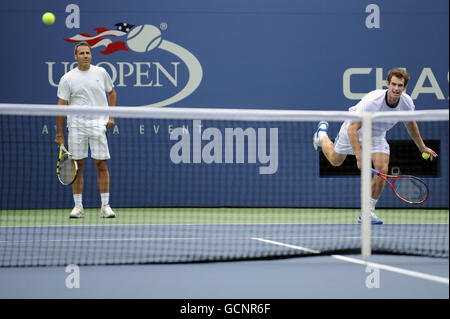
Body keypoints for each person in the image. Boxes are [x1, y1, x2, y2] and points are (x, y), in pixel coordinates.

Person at [313, 68, 437, 224]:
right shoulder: (372, 102)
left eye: (400, 85)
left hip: (376, 135)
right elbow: (352, 128)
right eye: (393, 84)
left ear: (404, 87)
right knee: (335, 161)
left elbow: (410, 124)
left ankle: (367, 212)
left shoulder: (406, 103)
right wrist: (359, 156)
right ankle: (321, 135)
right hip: (355, 130)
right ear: (387, 84)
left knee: (382, 169)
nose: (396, 89)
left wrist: (422, 147)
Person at [55, 41, 117, 218]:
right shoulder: (67, 78)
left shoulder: (101, 73)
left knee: (101, 164)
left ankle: (105, 206)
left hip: (98, 124)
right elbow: (61, 106)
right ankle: (78, 207)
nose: (85, 56)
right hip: (76, 126)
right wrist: (59, 133)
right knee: (78, 166)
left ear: (91, 55)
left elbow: (111, 93)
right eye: (81, 53)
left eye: (87, 53)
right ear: (75, 57)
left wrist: (111, 116)